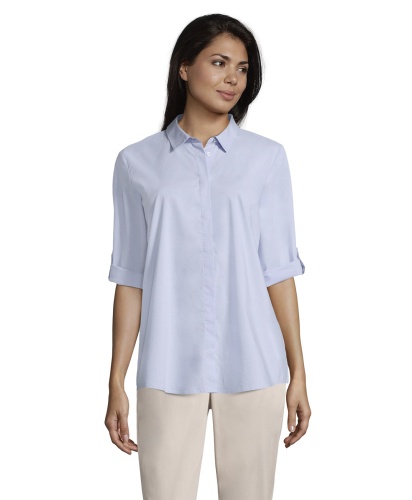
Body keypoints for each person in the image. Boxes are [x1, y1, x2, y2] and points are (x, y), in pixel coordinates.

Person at [104, 12, 311, 500]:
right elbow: (131, 277)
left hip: (254, 364)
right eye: (219, 63)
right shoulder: (136, 163)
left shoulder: (267, 159)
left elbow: (278, 272)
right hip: (168, 365)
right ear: (184, 67)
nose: (232, 78)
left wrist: (299, 371)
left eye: (242, 68)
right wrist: (116, 380)